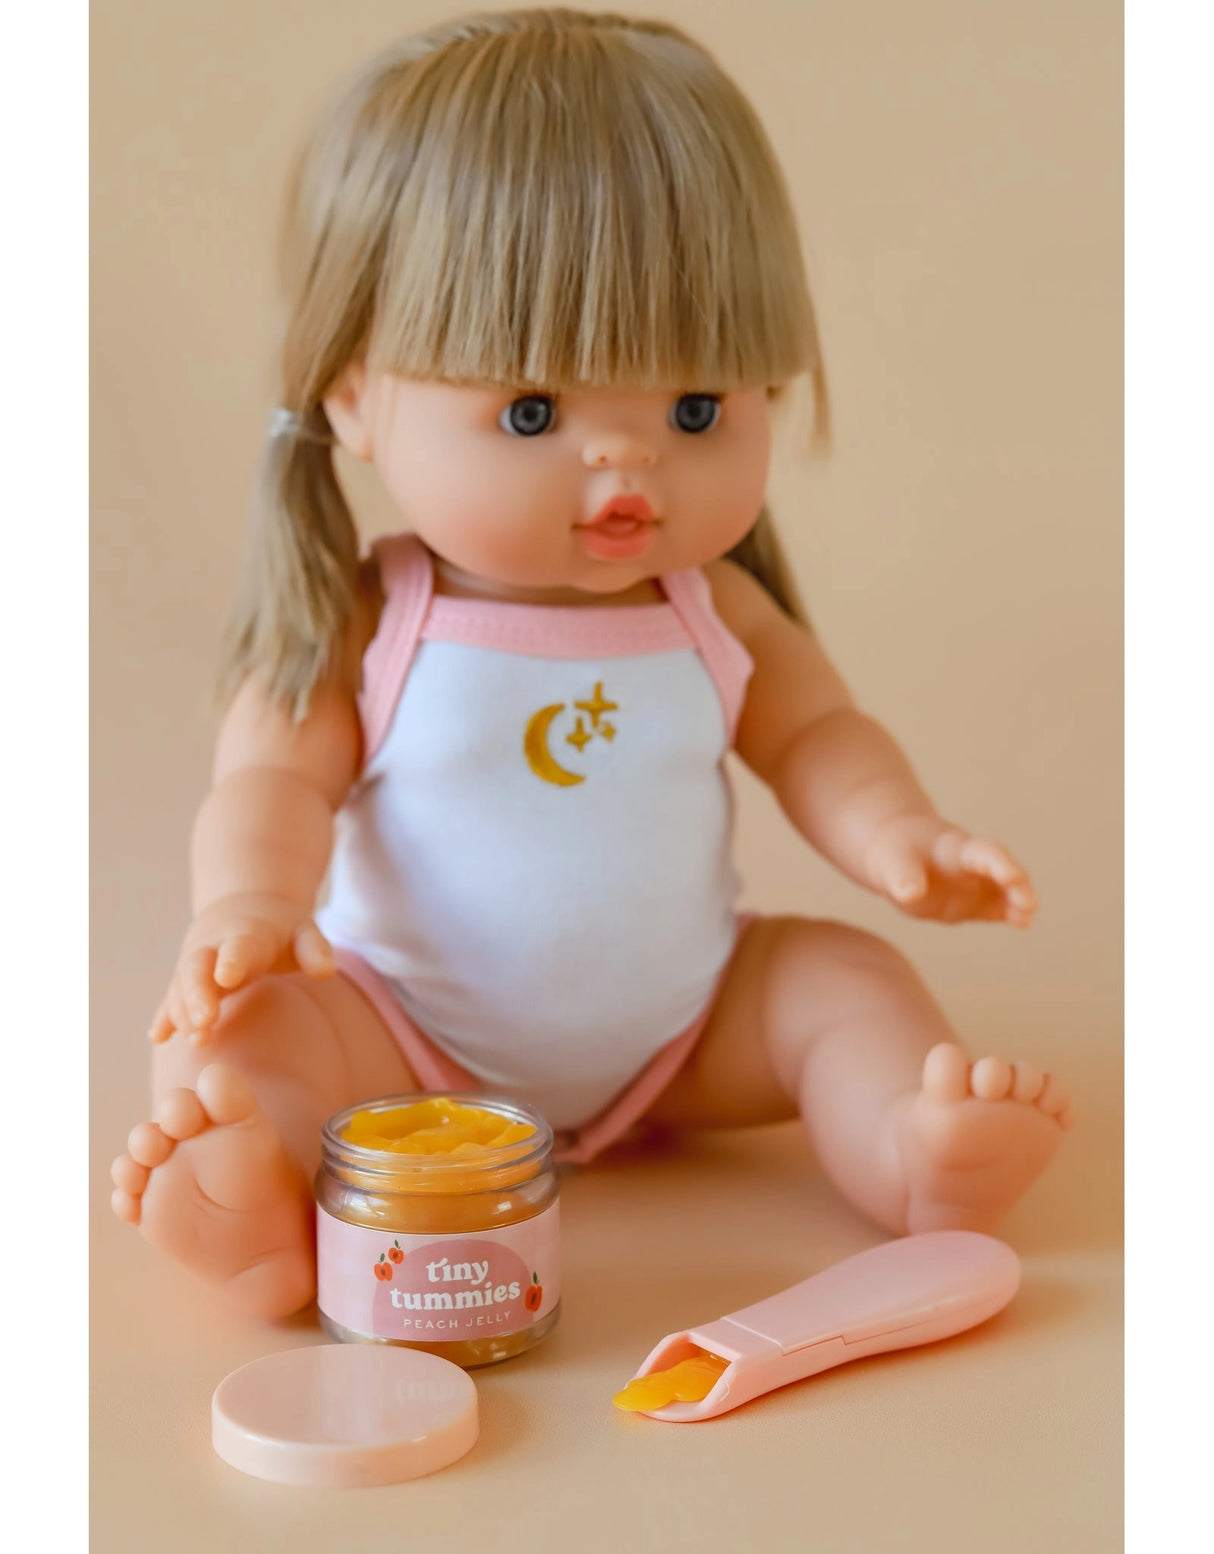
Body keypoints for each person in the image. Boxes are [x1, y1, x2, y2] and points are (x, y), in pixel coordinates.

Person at [110, 7, 1072, 1319]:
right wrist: (247, 908)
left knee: (839, 984)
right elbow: (269, 787)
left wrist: (897, 829)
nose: (628, 466)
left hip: (683, 1029)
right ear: (352, 397)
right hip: (397, 1036)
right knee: (244, 1038)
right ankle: (262, 1210)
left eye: (694, 409)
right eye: (530, 411)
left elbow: (812, 733)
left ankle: (913, 1150)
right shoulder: (371, 618)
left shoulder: (712, 607)